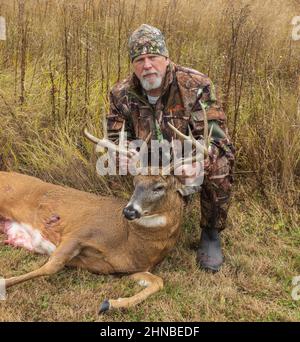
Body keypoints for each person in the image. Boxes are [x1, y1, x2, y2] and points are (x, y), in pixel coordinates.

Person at [106, 24, 235, 272]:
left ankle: (210, 232)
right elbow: (113, 137)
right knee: (109, 165)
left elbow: (219, 142)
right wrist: (118, 153)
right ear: (133, 64)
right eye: (139, 59)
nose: (147, 65)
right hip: (148, 166)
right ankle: (143, 214)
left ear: (166, 58)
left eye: (153, 57)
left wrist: (199, 162)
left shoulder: (195, 85)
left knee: (220, 163)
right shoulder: (121, 93)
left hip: (184, 164)